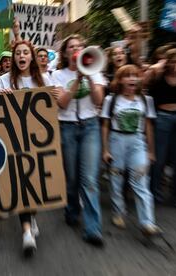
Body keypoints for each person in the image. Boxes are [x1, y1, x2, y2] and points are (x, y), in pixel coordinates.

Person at [51, 34, 106, 247]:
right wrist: (78, 81)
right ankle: (72, 209)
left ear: (84, 51)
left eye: (79, 46)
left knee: (89, 180)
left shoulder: (97, 72)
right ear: (65, 53)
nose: (76, 49)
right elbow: (63, 103)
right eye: (71, 47)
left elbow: (98, 100)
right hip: (67, 128)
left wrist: (90, 76)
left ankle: (93, 229)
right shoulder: (57, 75)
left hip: (90, 126)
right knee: (72, 178)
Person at [0, 40, 50, 256]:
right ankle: (26, 231)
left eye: (25, 52)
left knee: (35, 184)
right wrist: (0, 97)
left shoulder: (43, 79)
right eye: (17, 52)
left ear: (31, 57)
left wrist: (53, 96)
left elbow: (50, 109)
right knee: (21, 184)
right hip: (14, 140)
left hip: (38, 141)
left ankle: (32, 216)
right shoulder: (3, 80)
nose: (21, 56)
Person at [101, 64, 162, 235]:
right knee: (116, 179)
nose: (132, 79)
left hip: (137, 142)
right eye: (127, 76)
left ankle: (147, 222)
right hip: (116, 140)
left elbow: (148, 125)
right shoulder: (110, 100)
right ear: (120, 80)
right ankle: (118, 212)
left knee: (140, 181)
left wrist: (151, 151)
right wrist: (105, 149)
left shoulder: (145, 100)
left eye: (135, 75)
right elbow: (105, 125)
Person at [146, 48, 176, 207]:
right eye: (172, 61)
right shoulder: (158, 76)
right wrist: (158, 66)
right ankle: (154, 193)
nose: (175, 65)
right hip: (162, 118)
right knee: (158, 159)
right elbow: (146, 81)